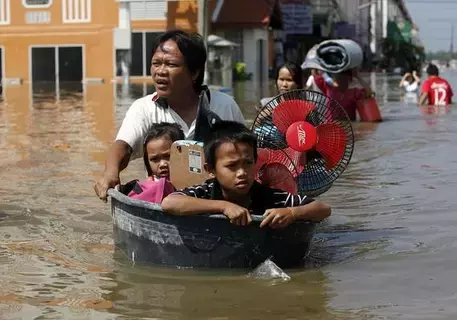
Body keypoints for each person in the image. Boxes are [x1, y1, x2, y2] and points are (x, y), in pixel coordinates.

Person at [94, 30, 245, 201]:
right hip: (166, 202)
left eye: (171, 64)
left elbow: (246, 155)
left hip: (218, 201)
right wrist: (110, 173)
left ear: (194, 72)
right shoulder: (143, 108)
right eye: (156, 63)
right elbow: (123, 145)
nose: (160, 71)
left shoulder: (224, 105)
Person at [161, 121, 331, 228]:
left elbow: (323, 209)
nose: (242, 173)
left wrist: (292, 213)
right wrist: (224, 207)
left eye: (248, 163)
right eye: (232, 166)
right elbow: (169, 203)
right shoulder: (205, 193)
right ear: (210, 170)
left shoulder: (270, 197)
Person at [126, 123, 185, 203]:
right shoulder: (146, 187)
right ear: (147, 162)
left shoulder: (192, 182)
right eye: (154, 159)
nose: (162, 164)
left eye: (168, 156)